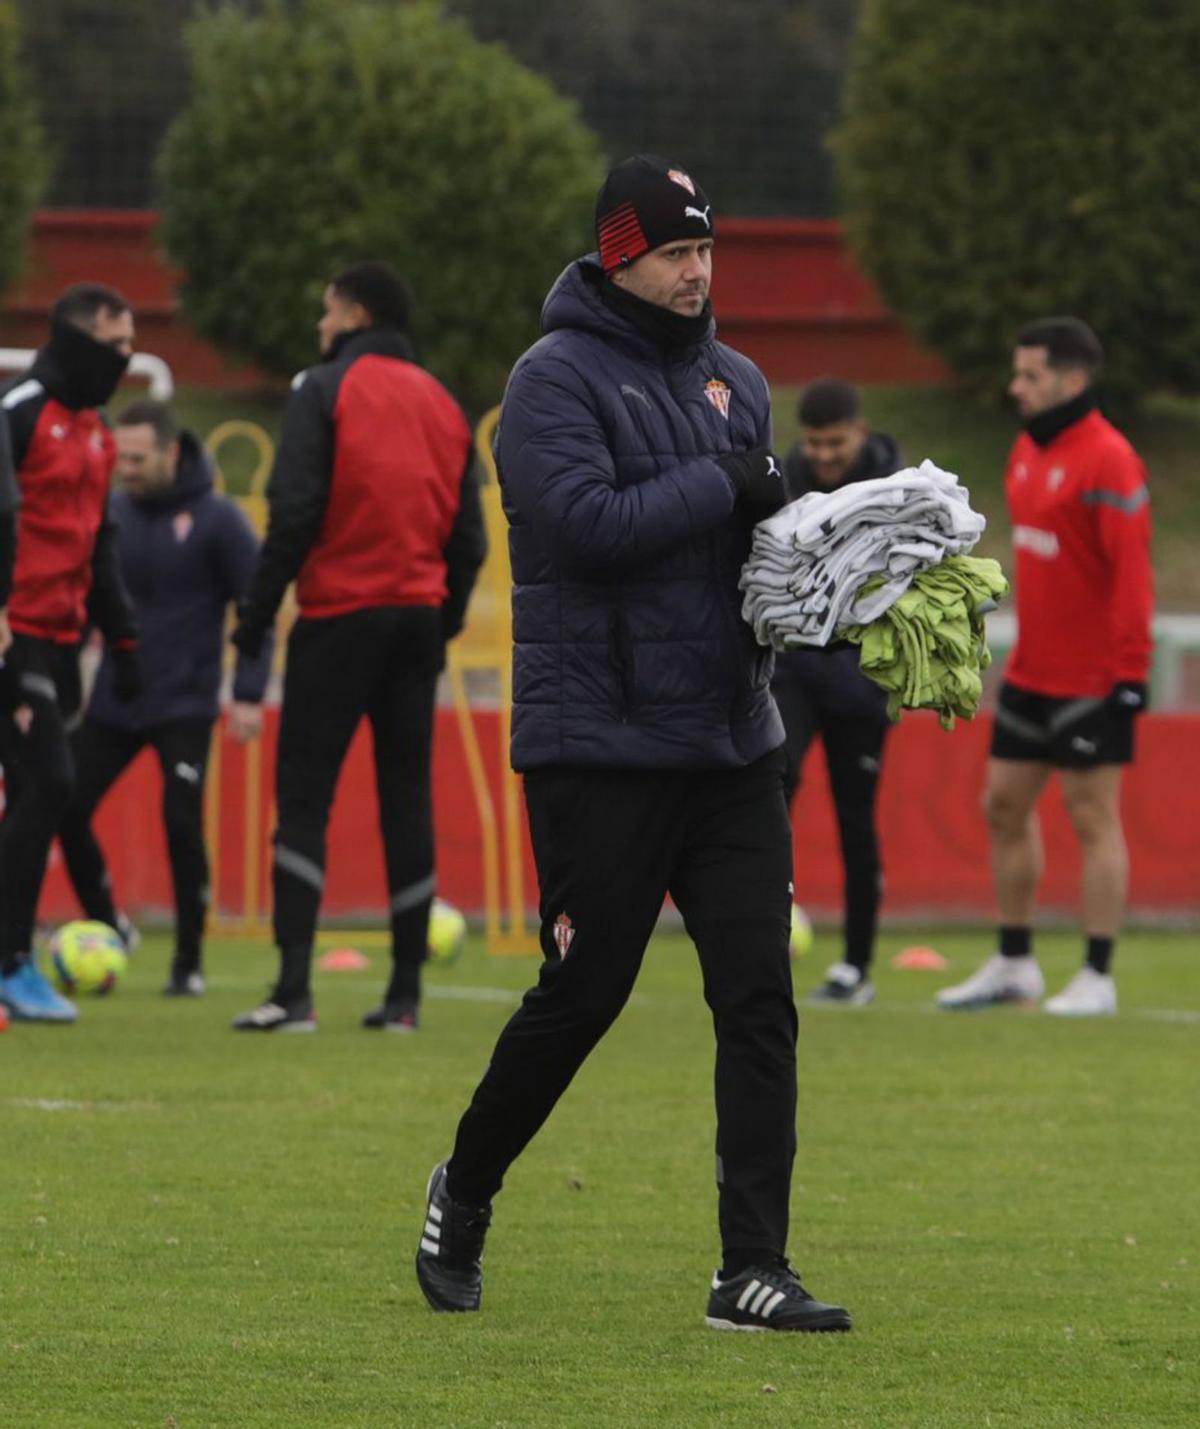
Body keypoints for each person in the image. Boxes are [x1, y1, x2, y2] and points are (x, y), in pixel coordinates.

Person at [414, 155, 851, 1333]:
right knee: (585, 993)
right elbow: (587, 529)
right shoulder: (550, 379)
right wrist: (729, 483)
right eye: (674, 253)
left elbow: (753, 545)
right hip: (599, 741)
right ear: (619, 256)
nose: (697, 273)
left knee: (760, 996)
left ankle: (751, 1267)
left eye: (707, 251)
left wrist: (836, 569)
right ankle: (467, 1184)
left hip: (729, 740)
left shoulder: (739, 379)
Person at [230, 261, 486, 1033]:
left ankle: (293, 992)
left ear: (355, 314)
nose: (319, 325)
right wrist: (437, 625)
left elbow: (296, 507)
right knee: (406, 796)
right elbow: (469, 540)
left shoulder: (321, 388)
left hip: (339, 614)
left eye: (326, 310)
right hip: (415, 618)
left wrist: (256, 614)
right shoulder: (445, 402)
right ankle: (405, 996)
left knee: (306, 796)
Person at [938, 317, 1153, 1017]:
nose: (1016, 387)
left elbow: (1132, 574)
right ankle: (1016, 962)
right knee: (1001, 804)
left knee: (1093, 816)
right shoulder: (1027, 451)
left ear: (1073, 380)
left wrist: (1130, 671)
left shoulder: (1111, 459)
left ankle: (1097, 974)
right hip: (1032, 671)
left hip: (1095, 678)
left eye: (1030, 375)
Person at [55, 400, 272, 996]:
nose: (123, 467)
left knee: (180, 822)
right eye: (118, 456)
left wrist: (249, 692)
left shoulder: (219, 521)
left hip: (185, 701)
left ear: (171, 453)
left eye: (136, 457)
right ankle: (108, 925)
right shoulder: (113, 514)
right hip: (114, 699)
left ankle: (188, 962)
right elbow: (81, 599)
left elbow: (256, 611)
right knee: (63, 804)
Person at [0, 283, 139, 1023]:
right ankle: (12, 960)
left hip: (63, 637)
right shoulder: (19, 414)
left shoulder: (98, 431)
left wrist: (123, 638)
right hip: (11, 630)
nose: (124, 360)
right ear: (77, 340)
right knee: (52, 781)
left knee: (34, 793)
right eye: (115, 345)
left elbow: (101, 542)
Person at [774, 378, 902, 1006]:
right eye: (814, 443)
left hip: (862, 675)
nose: (823, 455)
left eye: (835, 443)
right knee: (771, 793)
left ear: (861, 430)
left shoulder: (901, 489)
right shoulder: (785, 480)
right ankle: (760, 940)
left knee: (856, 818)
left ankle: (856, 966)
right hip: (793, 667)